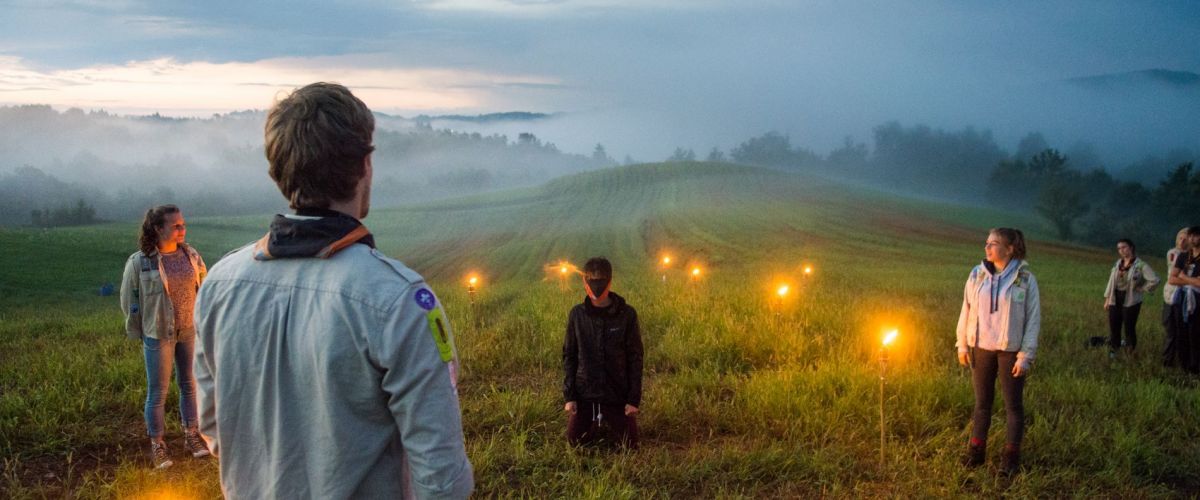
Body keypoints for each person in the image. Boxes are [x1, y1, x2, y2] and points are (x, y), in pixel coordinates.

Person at [193, 83, 473, 499]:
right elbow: (442, 477)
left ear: (277, 172)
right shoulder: (401, 300)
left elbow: (214, 427)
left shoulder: (218, 284)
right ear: (364, 165)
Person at [119, 204, 209, 469]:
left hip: (188, 331)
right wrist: (138, 329)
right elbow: (129, 300)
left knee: (189, 385)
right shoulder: (140, 262)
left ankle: (191, 434)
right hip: (157, 333)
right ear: (159, 229)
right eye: (176, 225)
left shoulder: (192, 255)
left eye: (183, 224)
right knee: (158, 391)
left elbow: (204, 290)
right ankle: (158, 443)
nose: (182, 229)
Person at [955, 227, 1040, 475]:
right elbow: (966, 309)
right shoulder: (976, 275)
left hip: (1010, 351)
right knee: (982, 404)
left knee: (1013, 406)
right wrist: (962, 343)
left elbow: (1033, 320)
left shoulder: (1025, 279)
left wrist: (1025, 355)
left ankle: (1010, 459)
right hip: (981, 348)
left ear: (1010, 248)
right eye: (987, 243)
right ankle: (976, 453)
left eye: (993, 243)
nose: (987, 247)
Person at [562, 257, 644, 449]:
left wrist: (633, 400)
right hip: (585, 393)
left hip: (616, 394)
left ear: (610, 281)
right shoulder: (577, 315)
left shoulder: (626, 314)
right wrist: (570, 397)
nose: (596, 286)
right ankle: (592, 422)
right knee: (575, 443)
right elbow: (570, 356)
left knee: (629, 445)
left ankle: (606, 420)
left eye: (601, 280)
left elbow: (635, 357)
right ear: (584, 282)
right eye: (591, 280)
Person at [1102, 238, 1159, 356]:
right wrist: (1107, 298)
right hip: (1115, 297)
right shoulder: (1118, 264)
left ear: (1131, 248)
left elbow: (1155, 280)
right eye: (1119, 248)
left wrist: (1142, 288)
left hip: (1132, 300)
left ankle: (1130, 352)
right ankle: (1114, 351)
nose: (1121, 250)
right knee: (1114, 326)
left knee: (1129, 327)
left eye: (1124, 247)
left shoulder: (1140, 265)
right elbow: (1111, 281)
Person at [1167, 226, 1200, 374]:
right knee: (1182, 332)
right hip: (1181, 299)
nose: (1192, 239)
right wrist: (1191, 280)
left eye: (1196, 236)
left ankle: (1195, 367)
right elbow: (1171, 279)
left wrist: (1183, 276)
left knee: (1196, 333)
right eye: (1190, 236)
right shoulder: (1183, 256)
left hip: (1197, 300)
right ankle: (1184, 366)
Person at [1162, 228, 1190, 367]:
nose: (1182, 241)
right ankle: (1168, 361)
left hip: (1186, 296)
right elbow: (1175, 275)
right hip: (1171, 294)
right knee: (1171, 329)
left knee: (1182, 330)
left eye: (1186, 238)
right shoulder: (1173, 253)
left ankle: (1182, 361)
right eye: (1180, 238)